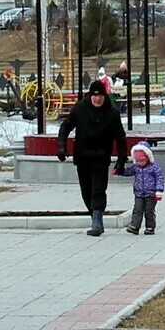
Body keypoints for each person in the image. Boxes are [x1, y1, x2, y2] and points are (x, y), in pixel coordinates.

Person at [55, 78, 129, 236]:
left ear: (105, 96)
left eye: (100, 96)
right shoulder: (80, 108)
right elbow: (65, 126)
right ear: (90, 96)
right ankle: (95, 216)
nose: (97, 99)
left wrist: (121, 160)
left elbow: (121, 138)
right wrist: (61, 147)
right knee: (86, 192)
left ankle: (97, 222)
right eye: (95, 96)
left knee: (98, 190)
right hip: (82, 157)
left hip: (101, 157)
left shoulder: (112, 113)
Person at [123, 142, 164, 235]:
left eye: (141, 161)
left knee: (149, 211)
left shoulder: (154, 168)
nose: (139, 163)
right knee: (137, 209)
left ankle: (150, 227)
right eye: (137, 161)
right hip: (139, 193)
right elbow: (128, 172)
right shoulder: (136, 168)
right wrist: (120, 170)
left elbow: (159, 179)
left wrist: (159, 190)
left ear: (147, 158)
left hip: (151, 194)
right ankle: (135, 226)